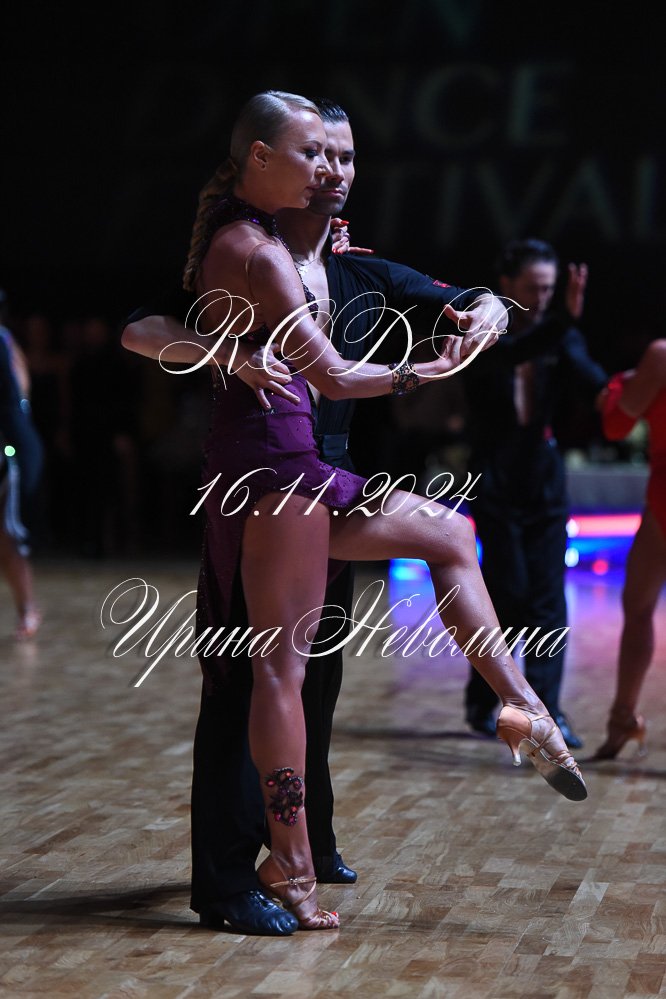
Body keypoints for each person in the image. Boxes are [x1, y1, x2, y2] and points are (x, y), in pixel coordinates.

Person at [126, 90, 587, 935]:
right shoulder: (255, 250)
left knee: (447, 534)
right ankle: (286, 865)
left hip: (305, 467)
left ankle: (523, 707)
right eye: (313, 154)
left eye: (338, 157)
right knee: (275, 674)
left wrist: (486, 307)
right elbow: (326, 372)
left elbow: (444, 294)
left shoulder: (313, 251)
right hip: (273, 473)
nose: (329, 170)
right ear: (261, 158)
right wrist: (427, 372)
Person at [461, 238, 608, 749]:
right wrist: (563, 320)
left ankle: (547, 711)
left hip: (543, 477)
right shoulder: (484, 330)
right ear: (506, 285)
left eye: (549, 289)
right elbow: (516, 353)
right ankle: (485, 702)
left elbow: (594, 382)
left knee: (547, 597)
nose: (543, 298)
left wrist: (628, 393)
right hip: (495, 475)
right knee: (506, 593)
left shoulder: (560, 334)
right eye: (533, 288)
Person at [592, 339, 666, 759]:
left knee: (638, 606)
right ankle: (622, 719)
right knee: (636, 603)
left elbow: (616, 425)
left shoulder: (661, 355)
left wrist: (616, 387)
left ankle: (623, 719)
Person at [0, 290, 44, 639]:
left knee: (7, 535)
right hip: (14, 442)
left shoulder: (3, 340)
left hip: (10, 448)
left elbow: (20, 393)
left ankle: (28, 610)